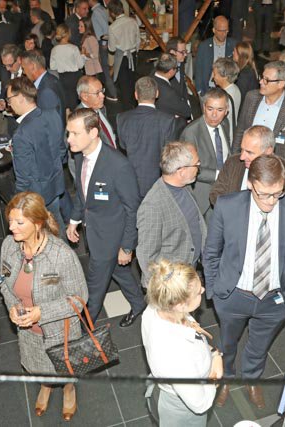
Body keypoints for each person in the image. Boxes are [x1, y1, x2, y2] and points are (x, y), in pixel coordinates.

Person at [203, 154, 285, 409]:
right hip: (233, 295)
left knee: (260, 345)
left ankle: (252, 378)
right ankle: (226, 377)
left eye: (277, 194)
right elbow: (211, 252)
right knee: (227, 343)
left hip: (274, 299)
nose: (271, 201)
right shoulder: (227, 206)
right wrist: (215, 291)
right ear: (250, 183)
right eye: (264, 194)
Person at [0, 192, 88, 421]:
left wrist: (42, 312)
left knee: (64, 367)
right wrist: (12, 307)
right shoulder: (8, 246)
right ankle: (46, 385)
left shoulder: (61, 255)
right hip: (28, 332)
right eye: (11, 220)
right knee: (39, 365)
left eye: (19, 222)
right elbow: (4, 284)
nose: (11, 227)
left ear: (38, 223)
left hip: (60, 331)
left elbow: (79, 298)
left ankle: (69, 388)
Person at [66, 108, 146, 326]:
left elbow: (132, 209)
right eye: (68, 133)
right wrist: (74, 220)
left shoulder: (118, 166)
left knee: (94, 287)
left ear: (93, 133)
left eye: (75, 133)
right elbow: (82, 193)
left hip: (111, 237)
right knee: (119, 272)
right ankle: (139, 303)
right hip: (94, 230)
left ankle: (84, 328)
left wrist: (127, 247)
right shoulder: (79, 156)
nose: (69, 139)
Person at [141, 260, 222, 426]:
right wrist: (215, 371)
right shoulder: (175, 355)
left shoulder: (157, 307)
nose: (203, 290)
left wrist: (212, 352)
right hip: (182, 408)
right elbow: (200, 404)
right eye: (198, 293)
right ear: (180, 305)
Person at [137, 142, 206, 287]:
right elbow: (147, 256)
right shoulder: (153, 205)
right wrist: (168, 287)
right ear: (181, 171)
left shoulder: (184, 187)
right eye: (196, 164)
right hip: (171, 284)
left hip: (188, 273)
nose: (198, 168)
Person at [7, 76, 66, 231]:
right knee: (57, 226)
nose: (9, 104)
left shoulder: (21, 134)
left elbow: (23, 178)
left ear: (20, 98)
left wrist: (19, 205)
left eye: (9, 99)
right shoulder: (52, 114)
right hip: (55, 184)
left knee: (44, 235)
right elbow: (61, 149)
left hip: (36, 196)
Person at [234, 60, 285, 174]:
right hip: (245, 165)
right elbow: (240, 130)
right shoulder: (251, 97)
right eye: (262, 77)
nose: (261, 82)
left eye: (266, 80)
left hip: (274, 172)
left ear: (281, 84)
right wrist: (234, 161)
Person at [117, 76, 180, 199]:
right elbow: (170, 155)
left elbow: (123, 146)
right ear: (157, 94)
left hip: (129, 181)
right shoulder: (167, 120)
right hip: (157, 184)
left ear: (136, 95)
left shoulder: (122, 118)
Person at [209, 125, 285, 206]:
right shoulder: (233, 163)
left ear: (268, 151)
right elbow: (215, 195)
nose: (242, 157)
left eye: (249, 152)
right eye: (242, 149)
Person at [181, 88, 232, 218]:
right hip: (202, 199)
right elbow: (188, 167)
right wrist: (220, 175)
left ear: (226, 111)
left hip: (224, 193)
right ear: (204, 107)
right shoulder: (191, 132)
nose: (214, 115)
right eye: (210, 109)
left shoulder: (225, 124)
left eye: (220, 110)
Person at [107, 0, 140, 110]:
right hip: (132, 55)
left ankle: (127, 109)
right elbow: (138, 41)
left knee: (124, 84)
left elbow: (111, 48)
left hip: (121, 57)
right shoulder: (133, 21)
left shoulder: (112, 27)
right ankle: (135, 105)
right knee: (132, 81)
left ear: (112, 13)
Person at [21, 49, 67, 123]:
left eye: (23, 68)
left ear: (32, 66)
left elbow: (49, 122)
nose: (23, 72)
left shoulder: (46, 90)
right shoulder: (52, 79)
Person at [194, 16, 235, 96]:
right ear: (214, 30)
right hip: (208, 90)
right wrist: (200, 91)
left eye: (226, 30)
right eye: (220, 31)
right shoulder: (204, 46)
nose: (224, 34)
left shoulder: (233, 45)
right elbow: (198, 70)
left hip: (226, 91)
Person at [51, 24, 85, 111]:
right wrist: (83, 56)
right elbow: (80, 65)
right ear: (67, 34)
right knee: (75, 100)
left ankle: (67, 116)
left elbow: (52, 67)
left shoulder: (54, 49)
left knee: (65, 101)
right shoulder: (73, 48)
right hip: (74, 76)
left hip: (62, 77)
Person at [76, 75, 117, 148]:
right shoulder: (78, 121)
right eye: (97, 93)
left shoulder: (100, 108)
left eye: (102, 91)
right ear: (85, 96)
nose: (103, 96)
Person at [153, 53, 192, 123]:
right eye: (176, 68)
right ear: (171, 71)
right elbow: (187, 112)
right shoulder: (169, 93)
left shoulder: (150, 78)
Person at [212, 57, 241, 142]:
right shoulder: (235, 89)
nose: (213, 77)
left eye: (215, 74)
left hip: (225, 136)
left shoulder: (224, 97)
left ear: (224, 77)